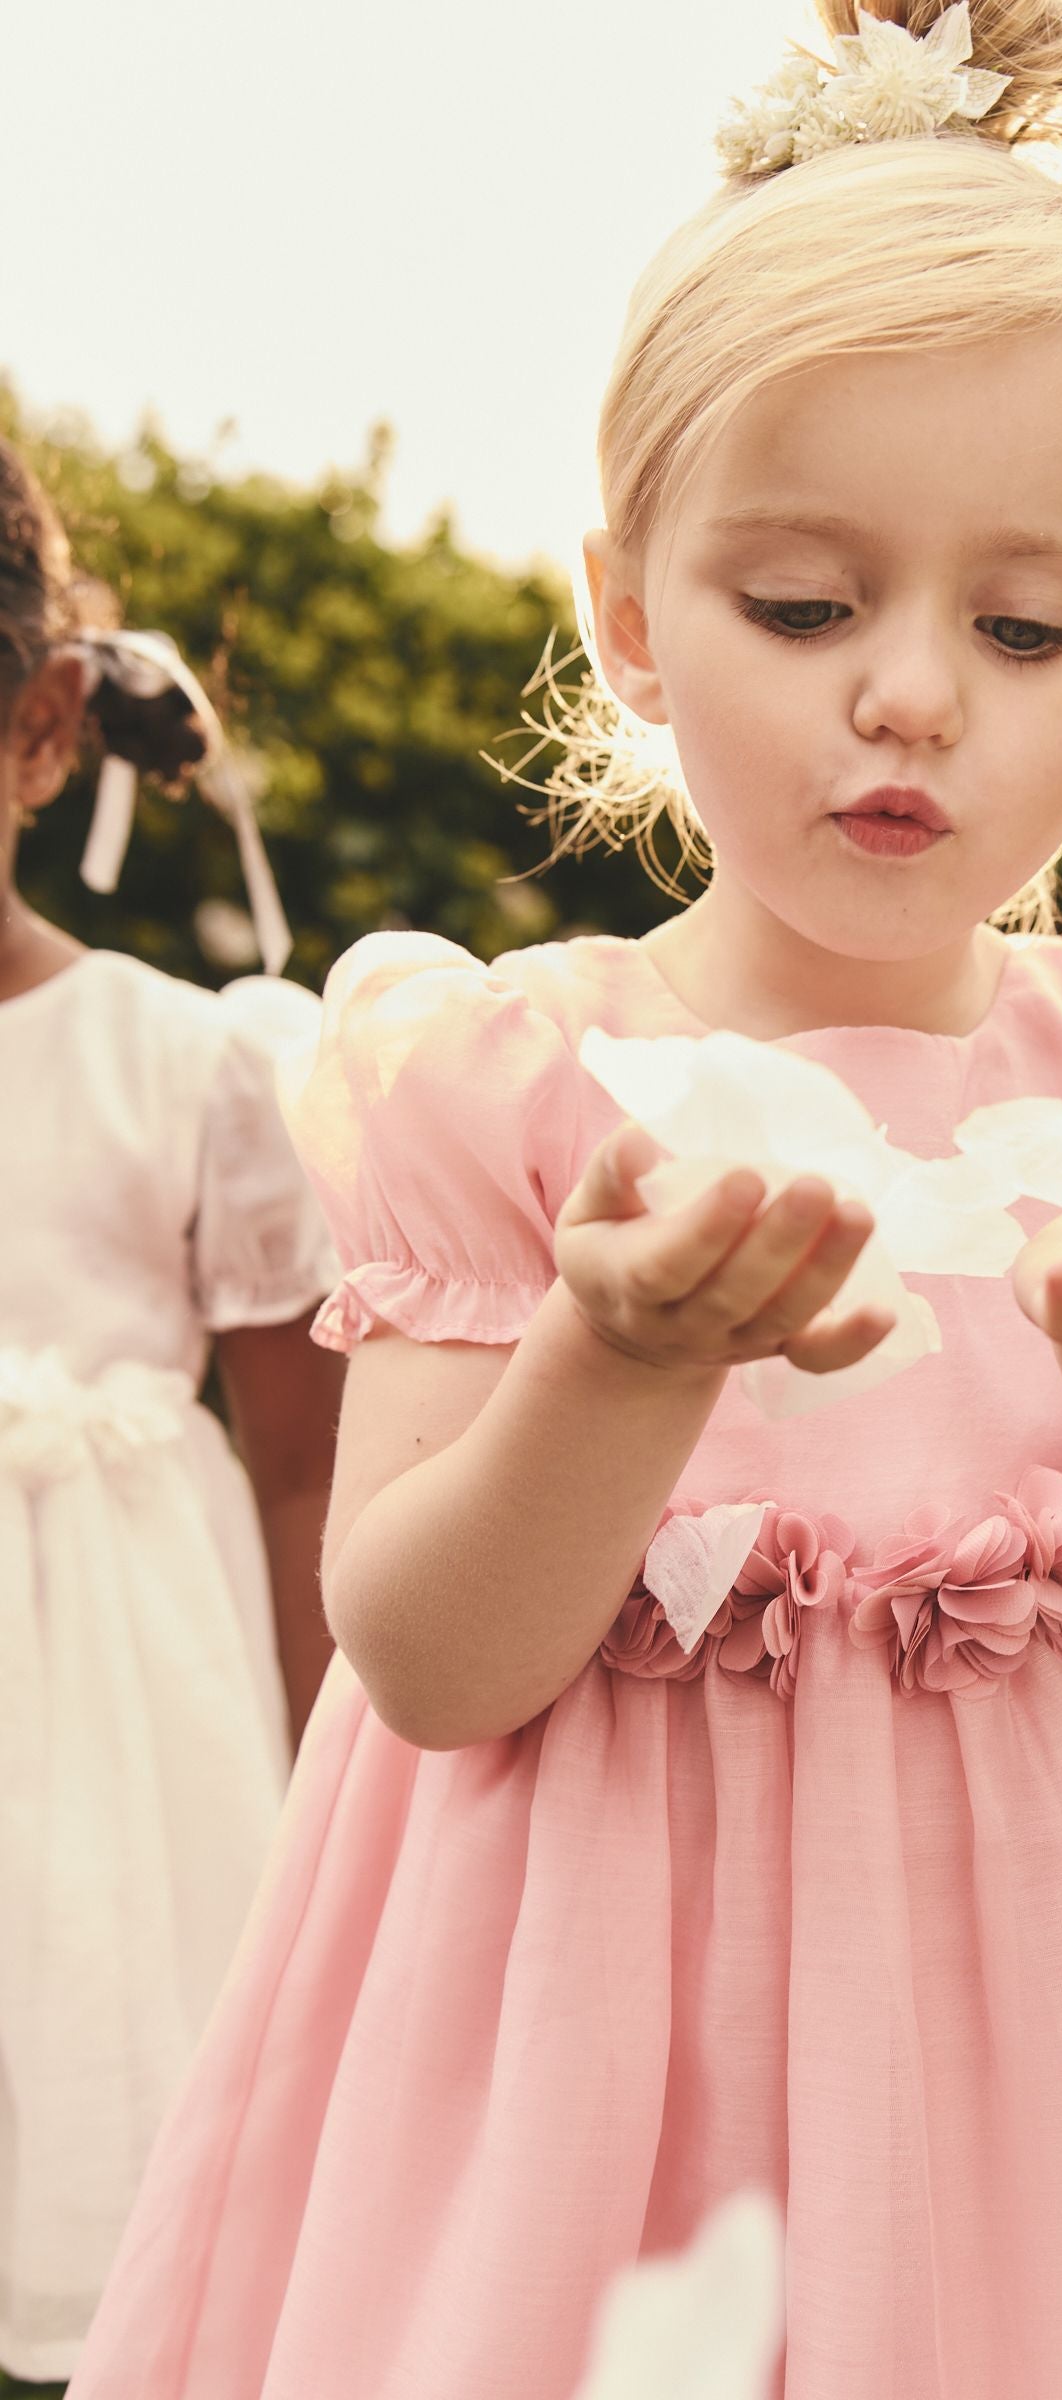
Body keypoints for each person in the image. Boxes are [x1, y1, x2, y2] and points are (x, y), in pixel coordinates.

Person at [71, 5, 1062, 2394]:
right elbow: (423, 1653)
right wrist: (616, 1363)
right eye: (804, 605)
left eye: (1025, 627)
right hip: (597, 2126)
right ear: (627, 602)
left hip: (1045, 2134)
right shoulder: (512, 1081)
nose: (912, 696)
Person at [0, 435, 343, 2387]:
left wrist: (328, 1844)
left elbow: (307, 1479)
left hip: (126, 1778)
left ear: (46, 728)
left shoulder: (191, 1066)